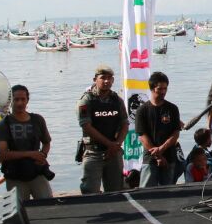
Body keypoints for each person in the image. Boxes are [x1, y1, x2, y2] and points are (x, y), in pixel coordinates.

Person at [0, 84, 54, 201]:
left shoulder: (38, 120)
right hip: (15, 176)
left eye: (23, 99)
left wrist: (43, 155)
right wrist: (30, 154)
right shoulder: (4, 125)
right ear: (11, 101)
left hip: (37, 173)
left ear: (27, 100)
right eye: (16, 100)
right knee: (20, 211)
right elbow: (3, 154)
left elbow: (46, 142)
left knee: (47, 206)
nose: (20, 103)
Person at [78, 65, 129, 194]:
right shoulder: (86, 100)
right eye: (103, 78)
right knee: (90, 191)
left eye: (109, 78)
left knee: (116, 192)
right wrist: (110, 144)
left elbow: (125, 124)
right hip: (93, 152)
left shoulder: (117, 101)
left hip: (113, 152)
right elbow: (86, 126)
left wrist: (117, 144)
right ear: (95, 79)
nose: (106, 81)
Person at [135, 71, 182, 187]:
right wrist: (158, 156)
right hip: (150, 158)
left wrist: (162, 149)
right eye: (159, 89)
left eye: (165, 89)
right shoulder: (142, 110)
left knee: (168, 192)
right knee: (146, 193)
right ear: (152, 88)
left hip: (169, 157)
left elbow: (176, 133)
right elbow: (142, 136)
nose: (163, 92)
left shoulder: (172, 108)